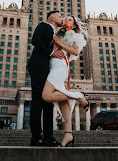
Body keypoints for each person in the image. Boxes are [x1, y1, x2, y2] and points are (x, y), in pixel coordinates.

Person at [42, 15, 90, 147]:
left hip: (60, 67)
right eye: (65, 19)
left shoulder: (74, 35)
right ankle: (68, 134)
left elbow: (75, 52)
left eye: (69, 20)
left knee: (46, 95)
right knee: (62, 100)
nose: (65, 20)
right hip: (53, 66)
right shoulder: (60, 32)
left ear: (74, 25)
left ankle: (79, 96)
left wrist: (60, 43)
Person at [27, 10, 65, 147]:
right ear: (52, 18)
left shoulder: (56, 33)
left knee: (48, 102)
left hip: (50, 70)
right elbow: (35, 40)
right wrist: (52, 52)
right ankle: (36, 137)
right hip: (38, 66)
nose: (62, 18)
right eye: (60, 16)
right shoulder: (43, 25)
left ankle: (49, 138)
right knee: (37, 100)